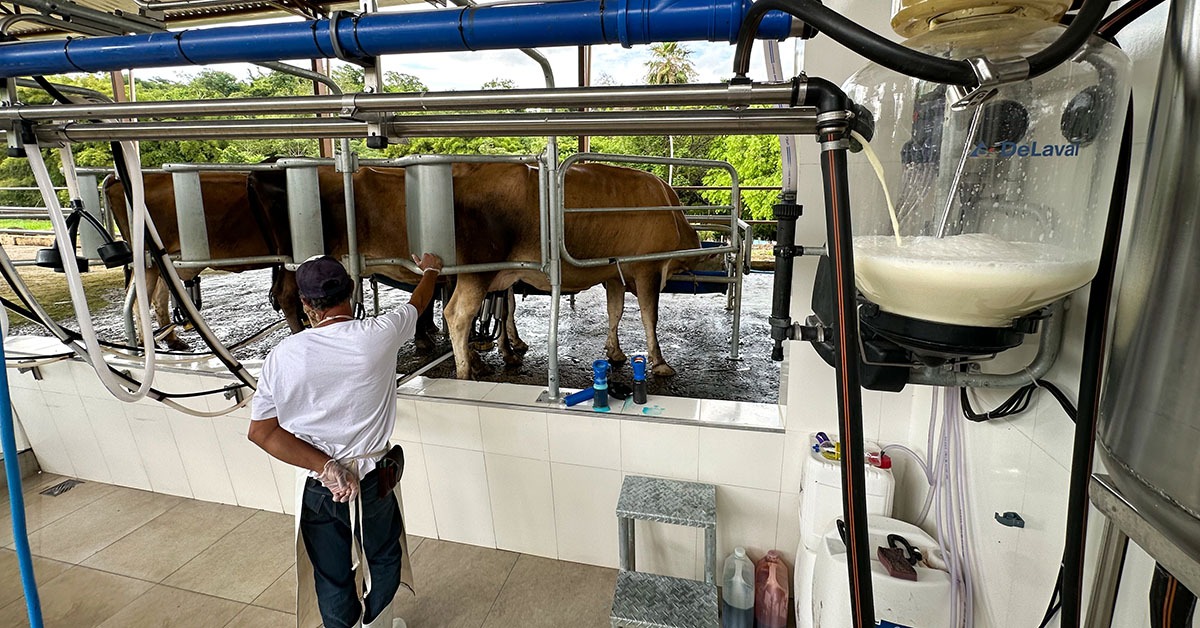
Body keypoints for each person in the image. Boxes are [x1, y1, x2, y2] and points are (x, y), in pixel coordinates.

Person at [248, 252, 443, 628]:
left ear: (306, 305)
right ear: (351, 293)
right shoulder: (379, 335)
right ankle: (374, 622)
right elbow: (418, 303)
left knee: (331, 571)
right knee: (384, 554)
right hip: (373, 478)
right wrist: (431, 269)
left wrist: (326, 467)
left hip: (319, 485)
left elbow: (261, 432)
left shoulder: (282, 356)